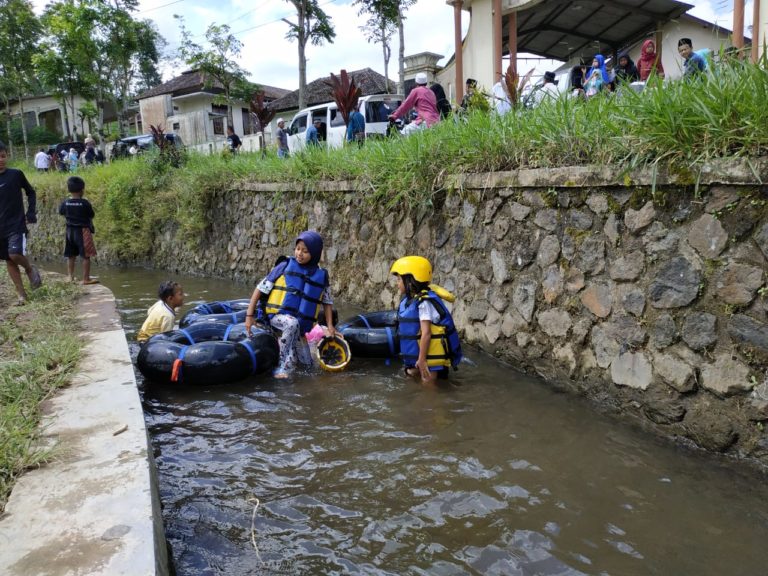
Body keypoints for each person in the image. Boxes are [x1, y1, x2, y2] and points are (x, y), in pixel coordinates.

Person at [244, 230, 337, 379]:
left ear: (315, 253)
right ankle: (282, 365)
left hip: (299, 326)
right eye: (298, 249)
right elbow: (260, 288)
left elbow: (327, 301)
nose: (300, 253)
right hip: (277, 317)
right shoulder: (285, 265)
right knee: (291, 323)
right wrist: (249, 315)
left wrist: (330, 326)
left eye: (305, 251)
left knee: (308, 366)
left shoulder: (321, 275)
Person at [390, 256, 462, 384]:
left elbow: (426, 334)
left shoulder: (424, 303)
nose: (397, 283)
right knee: (410, 374)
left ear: (410, 281)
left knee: (427, 385)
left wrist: (422, 360)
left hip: (430, 357)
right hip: (423, 356)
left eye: (399, 279)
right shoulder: (412, 300)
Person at [0, 140, 42, 305]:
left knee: (15, 254)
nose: (0, 160)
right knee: (8, 261)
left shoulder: (16, 174)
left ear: (7, 156)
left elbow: (30, 192)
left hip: (16, 224)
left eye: (3, 156)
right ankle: (21, 295)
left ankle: (30, 269)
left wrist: (30, 212)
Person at [59, 176, 98, 285]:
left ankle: (70, 277)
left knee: (71, 255)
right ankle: (86, 279)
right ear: (82, 190)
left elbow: (61, 212)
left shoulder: (65, 203)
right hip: (82, 231)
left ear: (69, 190)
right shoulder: (85, 203)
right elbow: (91, 214)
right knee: (86, 256)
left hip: (69, 231)